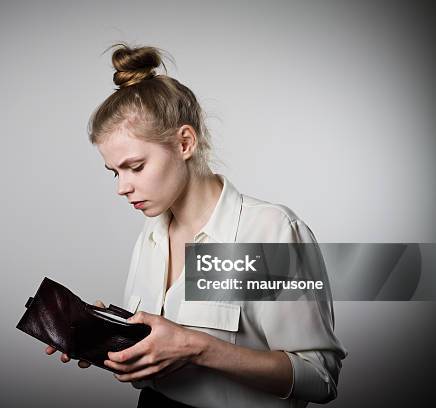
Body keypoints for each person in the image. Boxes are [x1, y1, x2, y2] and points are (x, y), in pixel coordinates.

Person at [45, 43, 347, 408]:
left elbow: (319, 377)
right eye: (115, 172)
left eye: (136, 167)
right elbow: (157, 351)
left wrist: (196, 347)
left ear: (184, 142)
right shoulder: (152, 234)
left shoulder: (269, 231)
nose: (122, 187)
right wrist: (109, 337)